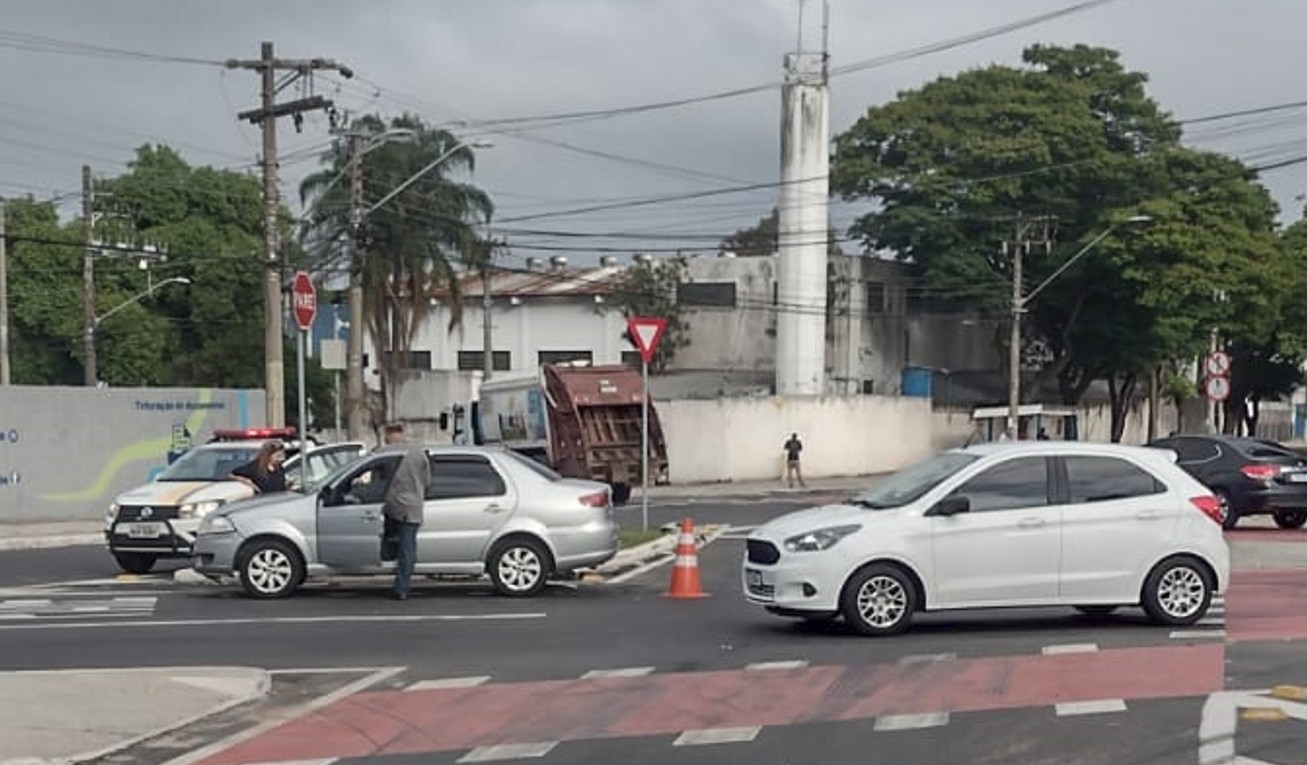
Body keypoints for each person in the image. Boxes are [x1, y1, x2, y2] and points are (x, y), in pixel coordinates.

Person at [379, 422, 430, 601]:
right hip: (412, 506)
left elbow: (379, 481)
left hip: (392, 506)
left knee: (397, 544)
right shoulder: (419, 452)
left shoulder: (387, 453)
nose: (385, 440)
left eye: (386, 436)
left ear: (390, 435)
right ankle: (402, 586)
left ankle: (401, 585)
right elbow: (427, 480)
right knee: (407, 548)